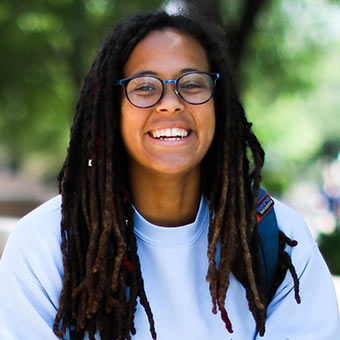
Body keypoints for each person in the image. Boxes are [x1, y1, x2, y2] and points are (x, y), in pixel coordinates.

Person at [0, 10, 339, 340]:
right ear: (110, 109)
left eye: (191, 84)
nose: (170, 103)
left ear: (218, 104)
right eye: (145, 87)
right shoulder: (45, 245)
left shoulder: (278, 238)